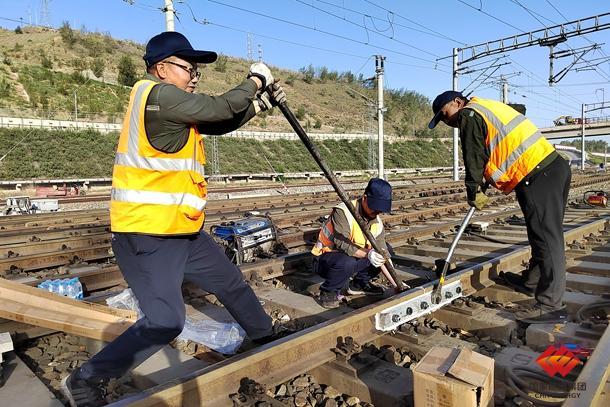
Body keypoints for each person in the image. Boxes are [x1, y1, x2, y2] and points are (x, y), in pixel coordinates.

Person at [61, 31, 286, 407]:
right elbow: (216, 109)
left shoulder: (170, 104)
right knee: (166, 320)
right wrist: (255, 81)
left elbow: (218, 121)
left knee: (230, 282)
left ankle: (266, 338)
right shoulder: (158, 96)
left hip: (181, 229)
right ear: (162, 68)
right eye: (188, 67)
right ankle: (86, 380)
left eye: (196, 69)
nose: (194, 75)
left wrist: (258, 106)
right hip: (148, 233)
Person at [428, 90, 571, 324]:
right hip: (551, 168)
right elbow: (517, 114)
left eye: (446, 114)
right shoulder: (487, 106)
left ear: (457, 102)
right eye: (443, 120)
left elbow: (473, 156)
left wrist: (474, 190)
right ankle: (532, 282)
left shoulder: (469, 115)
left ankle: (551, 305)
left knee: (547, 238)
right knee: (541, 235)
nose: (448, 121)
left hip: (537, 174)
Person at [311, 178, 394, 309]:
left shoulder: (377, 223)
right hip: (325, 259)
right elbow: (341, 243)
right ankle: (328, 291)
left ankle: (359, 284)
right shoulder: (343, 211)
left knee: (387, 250)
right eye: (375, 208)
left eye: (380, 210)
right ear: (365, 198)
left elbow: (383, 255)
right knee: (347, 261)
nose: (377, 212)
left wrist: (397, 284)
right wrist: (368, 254)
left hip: (353, 258)